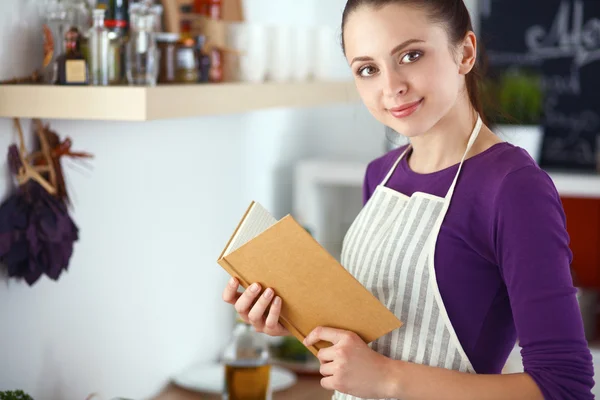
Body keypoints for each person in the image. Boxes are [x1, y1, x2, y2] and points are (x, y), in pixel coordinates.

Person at [222, 0, 595, 398]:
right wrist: (296, 320)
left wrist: (385, 377)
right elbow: (377, 346)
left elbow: (564, 386)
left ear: (465, 52)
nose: (391, 87)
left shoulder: (513, 187)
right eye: (368, 69)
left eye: (411, 55)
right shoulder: (379, 174)